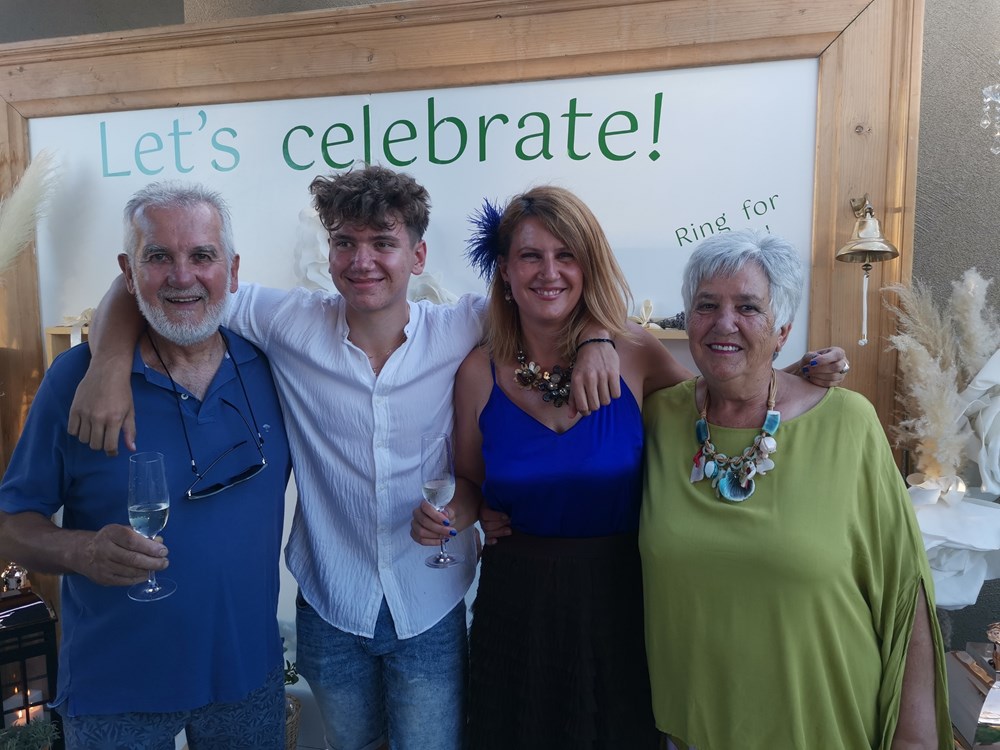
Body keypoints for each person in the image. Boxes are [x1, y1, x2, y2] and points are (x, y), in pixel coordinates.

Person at [66, 166, 623, 750]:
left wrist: (596, 336)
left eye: (383, 242)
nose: (363, 261)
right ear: (328, 253)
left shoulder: (462, 326)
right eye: (345, 242)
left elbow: (551, 299)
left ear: (418, 255)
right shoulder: (288, 323)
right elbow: (158, 285)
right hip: (331, 606)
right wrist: (108, 364)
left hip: (429, 605)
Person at [409, 187, 848, 749]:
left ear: (588, 266)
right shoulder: (478, 372)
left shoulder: (634, 352)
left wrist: (797, 372)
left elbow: (720, 403)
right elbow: (471, 481)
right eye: (531, 256)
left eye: (567, 255)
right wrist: (451, 514)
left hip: (624, 599)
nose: (549, 272)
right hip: (518, 606)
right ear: (505, 271)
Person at [0, 182, 293, 748]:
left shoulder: (271, 367)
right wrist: (82, 552)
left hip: (248, 677)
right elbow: (11, 524)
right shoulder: (77, 381)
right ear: (128, 273)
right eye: (158, 256)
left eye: (202, 255)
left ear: (232, 270)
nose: (182, 276)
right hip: (116, 687)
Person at [639, 229, 950, 749]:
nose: (724, 322)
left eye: (748, 307)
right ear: (687, 320)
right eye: (706, 305)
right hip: (693, 731)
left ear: (782, 330)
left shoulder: (848, 424)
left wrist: (915, 738)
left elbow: (905, 590)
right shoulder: (658, 418)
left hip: (826, 728)